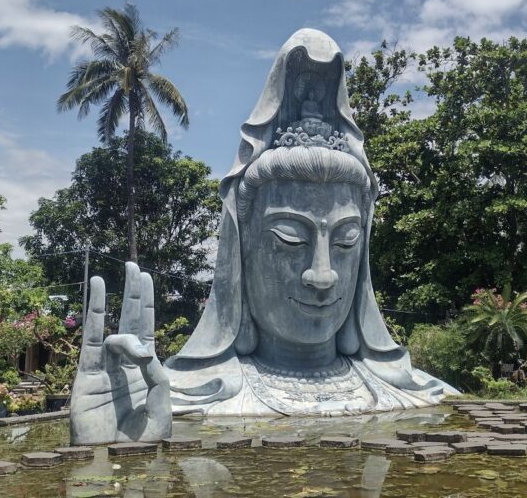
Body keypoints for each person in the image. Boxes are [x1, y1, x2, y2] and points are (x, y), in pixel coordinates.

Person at [158, 28, 457, 416]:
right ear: (242, 248)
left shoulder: (418, 399)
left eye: (346, 242)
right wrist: (127, 423)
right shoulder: (186, 403)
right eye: (289, 239)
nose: (322, 276)